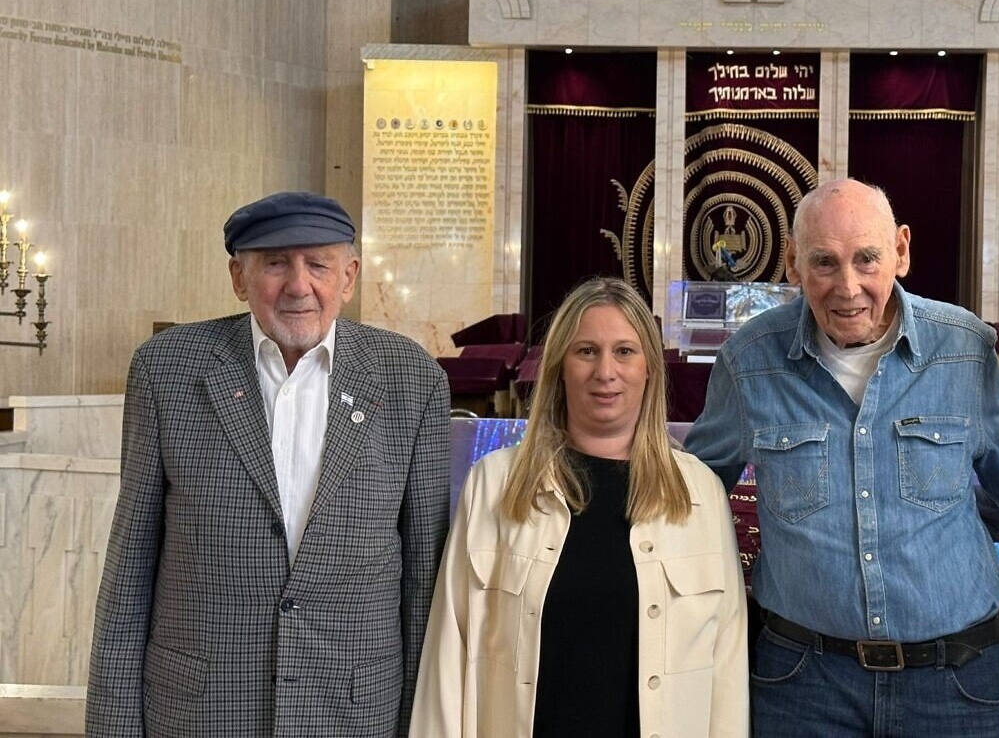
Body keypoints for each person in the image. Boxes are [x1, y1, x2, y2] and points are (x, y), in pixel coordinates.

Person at [685, 178, 999, 737]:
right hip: (805, 683)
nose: (847, 286)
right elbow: (692, 498)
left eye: (867, 259)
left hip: (953, 683)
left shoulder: (963, 349)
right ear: (793, 264)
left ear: (901, 251)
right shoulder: (749, 361)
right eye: (824, 263)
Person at [86, 191, 451, 737]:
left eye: (318, 265)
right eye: (276, 263)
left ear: (348, 278)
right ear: (239, 277)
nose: (299, 285)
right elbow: (129, 572)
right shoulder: (167, 371)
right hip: (200, 713)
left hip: (353, 714)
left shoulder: (411, 380)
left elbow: (424, 582)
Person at [410, 277, 748, 737]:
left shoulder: (699, 493)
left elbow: (726, 670)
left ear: (650, 367)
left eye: (625, 351)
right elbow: (448, 654)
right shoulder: (494, 485)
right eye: (586, 351)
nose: (605, 372)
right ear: (559, 368)